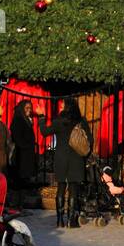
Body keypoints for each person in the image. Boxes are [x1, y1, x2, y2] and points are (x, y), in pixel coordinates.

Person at [38, 98, 91, 229]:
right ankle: (72, 220)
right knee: (73, 188)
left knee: (61, 188)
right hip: (76, 157)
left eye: (63, 105)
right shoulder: (81, 121)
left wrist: (41, 117)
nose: (61, 107)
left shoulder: (58, 121)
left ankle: (60, 220)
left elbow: (44, 132)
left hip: (61, 157)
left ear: (66, 107)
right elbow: (90, 139)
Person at [10, 99, 39, 198]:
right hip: (21, 154)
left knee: (25, 179)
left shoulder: (25, 119)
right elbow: (17, 137)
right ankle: (19, 202)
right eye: (27, 108)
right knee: (21, 179)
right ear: (22, 108)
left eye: (30, 108)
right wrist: (27, 146)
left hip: (26, 153)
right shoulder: (18, 119)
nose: (29, 110)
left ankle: (22, 201)